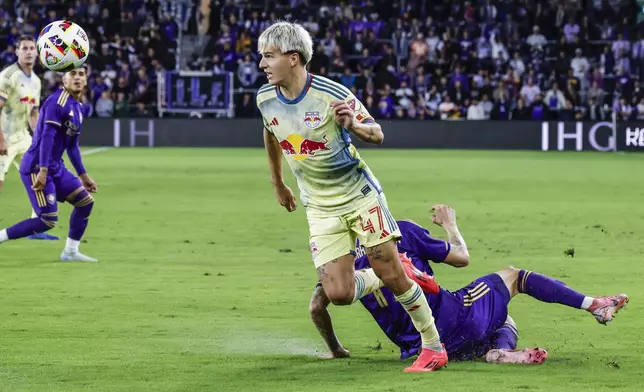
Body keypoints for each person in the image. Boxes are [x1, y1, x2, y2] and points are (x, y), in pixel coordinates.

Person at [255, 21, 447, 372]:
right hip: (318, 205)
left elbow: (377, 134)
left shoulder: (331, 94)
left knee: (391, 274)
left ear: (293, 58)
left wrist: (354, 127)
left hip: (360, 196)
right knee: (339, 294)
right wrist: (278, 183)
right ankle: (395, 268)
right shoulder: (265, 99)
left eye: (268, 56)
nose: (262, 64)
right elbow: (271, 135)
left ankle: (433, 346)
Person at [310, 205, 629, 364]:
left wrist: (336, 349)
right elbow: (462, 257)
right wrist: (450, 225)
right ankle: (595, 306)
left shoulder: (337, 267)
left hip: (416, 350)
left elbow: (316, 307)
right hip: (454, 319)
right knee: (513, 278)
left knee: (490, 318)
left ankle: (494, 353)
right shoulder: (400, 233)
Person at [0, 67, 98, 262]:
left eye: (81, 74)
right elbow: (46, 136)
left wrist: (84, 175)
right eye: (73, 74)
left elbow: (73, 147)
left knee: (85, 202)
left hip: (55, 167)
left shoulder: (78, 107)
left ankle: (70, 251)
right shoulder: (57, 102)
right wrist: (43, 170)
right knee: (47, 220)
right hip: (37, 166)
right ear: (64, 80)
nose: (77, 78)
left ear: (86, 80)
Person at [0, 35, 59, 241]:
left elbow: (34, 113)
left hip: (24, 138)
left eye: (31, 48)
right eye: (23, 48)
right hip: (4, 137)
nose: (28, 52)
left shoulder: (35, 81)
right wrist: (0, 140)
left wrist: (39, 139)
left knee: (40, 175)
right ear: (17, 52)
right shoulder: (8, 76)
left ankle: (37, 226)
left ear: (36, 52)